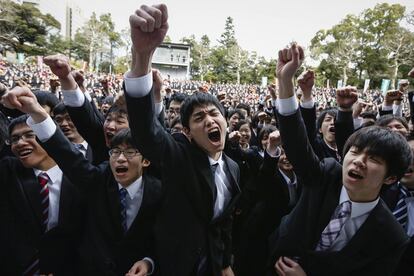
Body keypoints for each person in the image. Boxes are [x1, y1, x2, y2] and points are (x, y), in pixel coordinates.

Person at [268, 43, 412, 276]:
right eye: (355, 151)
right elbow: (296, 145)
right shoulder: (326, 174)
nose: (358, 161)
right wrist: (285, 82)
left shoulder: (392, 237)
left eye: (373, 158)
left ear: (391, 177)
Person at [124, 4, 240, 275]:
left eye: (214, 114)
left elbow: (221, 224)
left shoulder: (232, 168)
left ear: (225, 121)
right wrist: (142, 58)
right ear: (186, 132)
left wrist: (225, 264)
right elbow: (147, 133)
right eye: (199, 118)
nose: (210, 121)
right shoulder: (179, 156)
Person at [1, 86, 162, 276]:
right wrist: (37, 112)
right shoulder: (98, 180)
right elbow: (68, 156)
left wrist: (148, 261)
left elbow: (165, 237)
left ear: (146, 160)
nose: (120, 159)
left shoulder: (160, 190)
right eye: (115, 152)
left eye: (129, 152)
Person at [0, 96, 84, 275]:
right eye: (15, 139)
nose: (20, 143)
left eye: (30, 135)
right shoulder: (8, 172)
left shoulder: (80, 178)